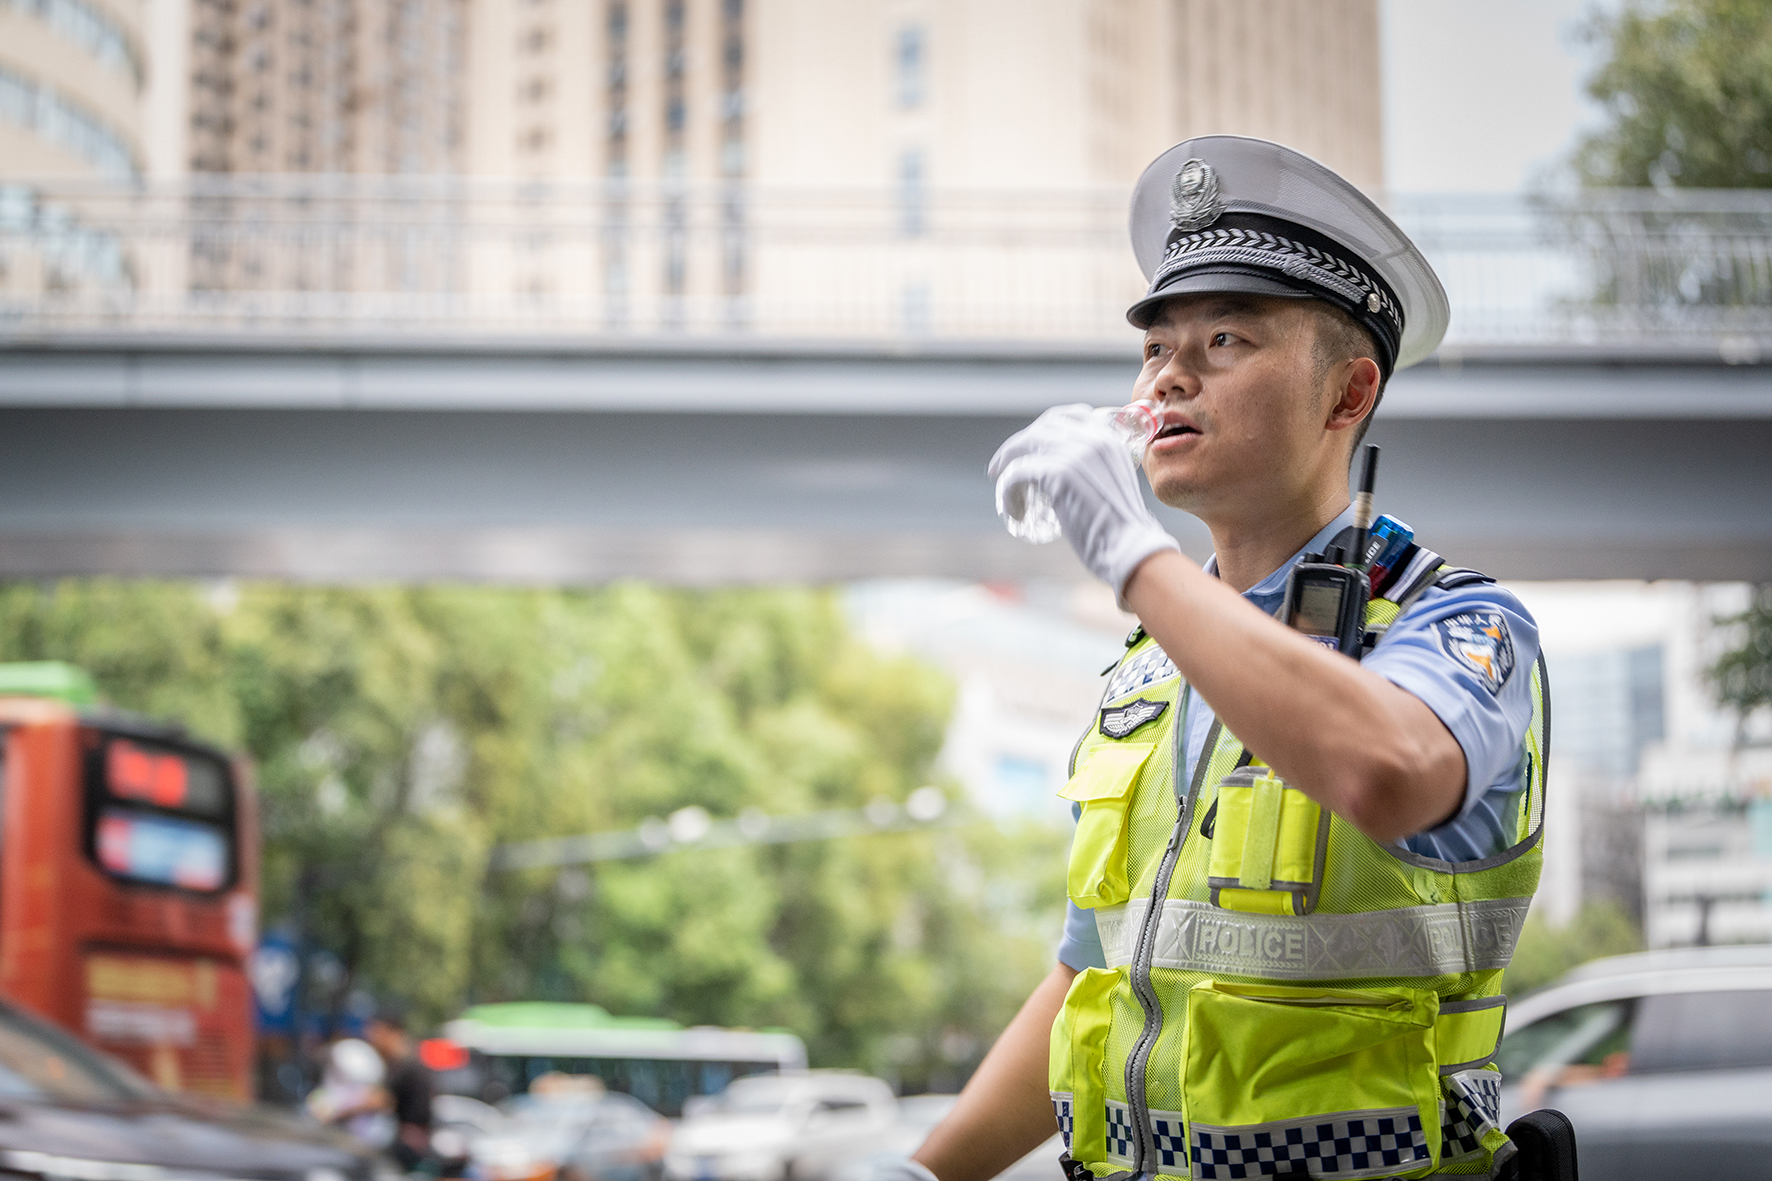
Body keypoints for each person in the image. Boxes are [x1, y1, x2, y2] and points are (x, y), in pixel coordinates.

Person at [908, 137, 1550, 1181]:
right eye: (1155, 347)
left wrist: (1133, 557)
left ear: (1346, 395)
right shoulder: (1149, 665)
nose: (1169, 375)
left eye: (1222, 340)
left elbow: (1387, 772)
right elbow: (1090, 970)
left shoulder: (1459, 623)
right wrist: (923, 1172)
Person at [365, 1004, 435, 1171]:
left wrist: (337, 1108)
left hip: (407, 1147)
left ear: (391, 1032)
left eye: (376, 1031)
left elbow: (378, 1101)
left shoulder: (404, 1064)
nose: (371, 1038)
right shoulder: (408, 1060)